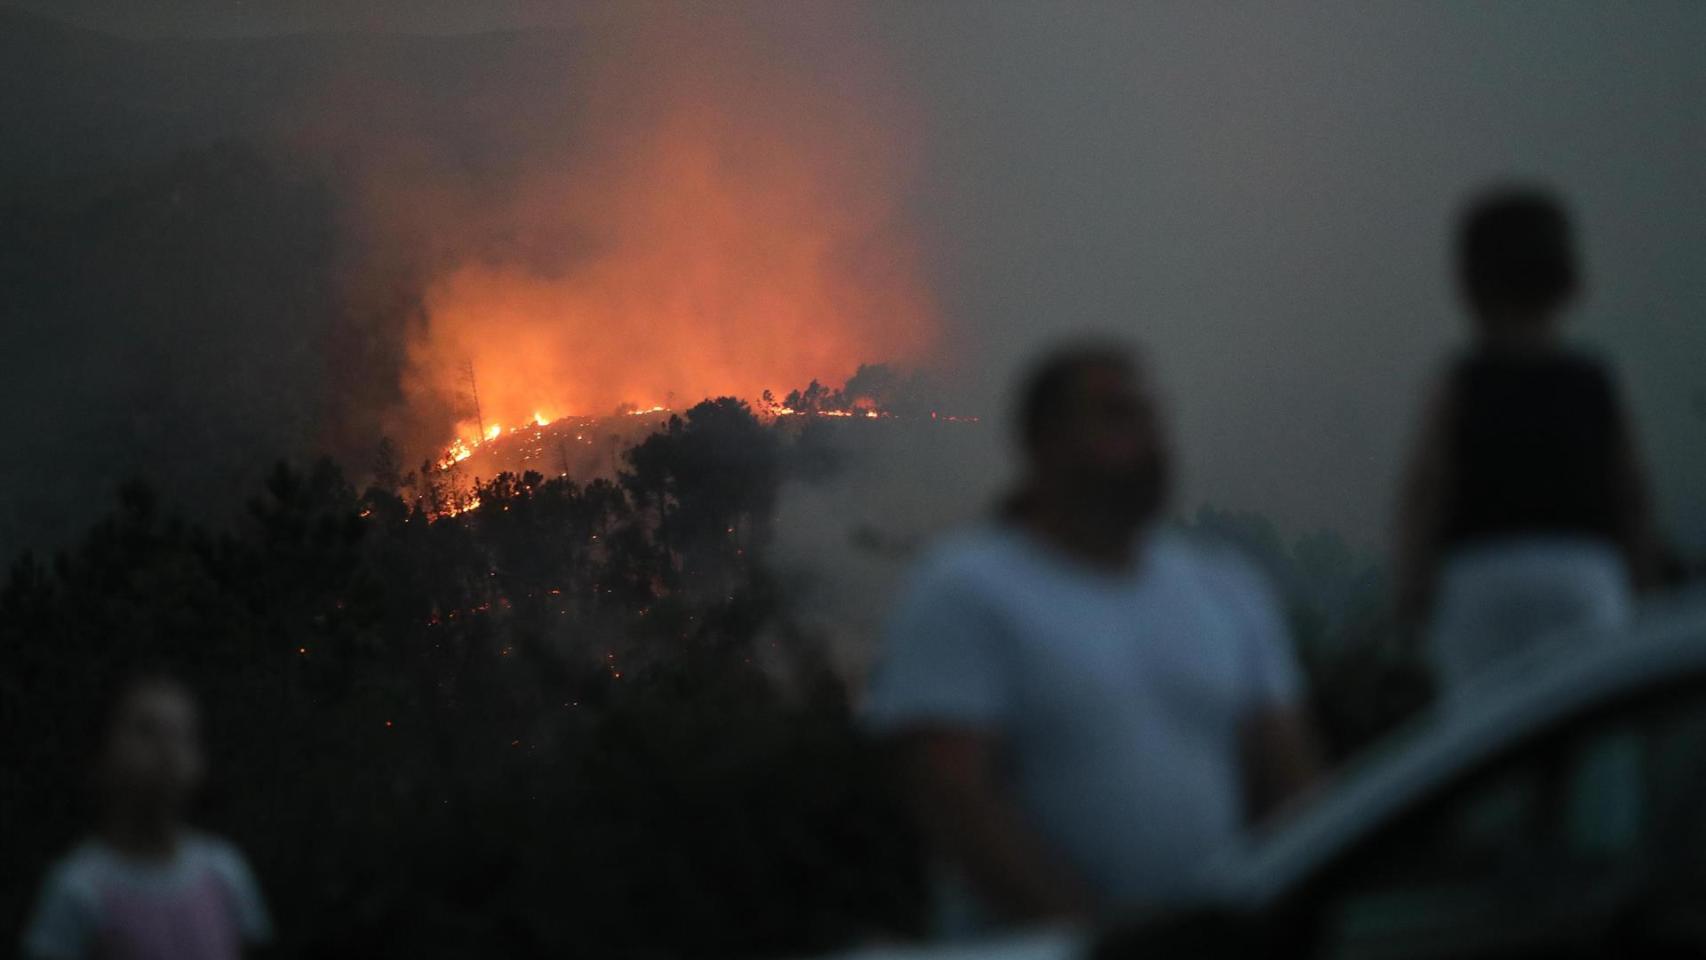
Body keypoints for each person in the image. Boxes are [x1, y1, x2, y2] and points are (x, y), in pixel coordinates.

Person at [863, 343, 1321, 936]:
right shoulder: (965, 592)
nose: (1147, 437)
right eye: (1114, 415)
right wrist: (1095, 941)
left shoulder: (1226, 592)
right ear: (1042, 443)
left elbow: (1288, 775)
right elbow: (953, 795)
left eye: (1148, 415)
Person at [1396, 187, 1657, 691]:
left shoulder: (1461, 382)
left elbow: (1426, 487)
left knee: (1482, 735)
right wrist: (1644, 588)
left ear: (1470, 284)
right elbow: (1632, 491)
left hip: (1479, 578)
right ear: (1567, 281)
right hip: (1584, 575)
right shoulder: (1594, 381)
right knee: (1593, 732)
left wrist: (1413, 587)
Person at [22, 671, 272, 960]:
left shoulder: (226, 872)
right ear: (101, 754)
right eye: (146, 731)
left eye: (183, 735)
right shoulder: (77, 889)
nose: (168, 750)